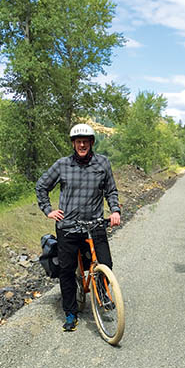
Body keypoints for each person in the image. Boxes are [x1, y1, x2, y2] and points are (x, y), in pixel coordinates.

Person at [36, 123, 121, 332]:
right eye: (78, 141)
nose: (82, 144)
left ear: (92, 143)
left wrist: (115, 210)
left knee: (105, 262)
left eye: (86, 141)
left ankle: (102, 294)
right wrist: (48, 210)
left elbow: (111, 190)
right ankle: (71, 312)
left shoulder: (103, 164)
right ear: (73, 144)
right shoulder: (62, 165)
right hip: (68, 227)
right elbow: (42, 186)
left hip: (95, 224)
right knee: (66, 270)